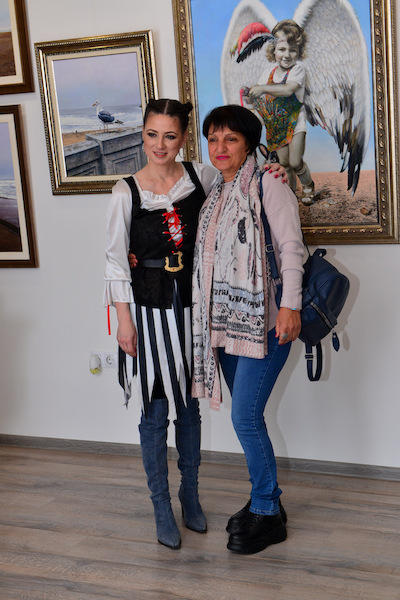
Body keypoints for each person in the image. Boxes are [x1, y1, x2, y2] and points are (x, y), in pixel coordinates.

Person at [104, 98, 286, 550]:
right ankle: (161, 505)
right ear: (142, 134)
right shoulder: (126, 191)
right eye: (152, 134)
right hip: (147, 310)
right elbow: (115, 263)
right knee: (154, 411)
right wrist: (123, 321)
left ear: (184, 138)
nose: (160, 144)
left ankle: (190, 495)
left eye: (170, 135)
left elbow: (244, 183)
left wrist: (278, 171)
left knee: (189, 406)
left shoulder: (200, 177)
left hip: (196, 311)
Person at [192, 104, 304, 555]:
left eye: (231, 139)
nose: (220, 148)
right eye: (213, 139)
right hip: (226, 325)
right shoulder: (215, 189)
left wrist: (290, 307)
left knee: (245, 418)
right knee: (248, 418)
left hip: (266, 322)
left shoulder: (268, 183)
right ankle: (266, 499)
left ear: (249, 144)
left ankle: (266, 511)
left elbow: (291, 248)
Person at [245, 19, 315, 205]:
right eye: (282, 49)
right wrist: (251, 99)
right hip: (276, 126)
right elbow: (261, 102)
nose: (287, 55)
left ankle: (308, 185)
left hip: (295, 122)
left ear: (299, 52)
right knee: (284, 163)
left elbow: (287, 89)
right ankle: (290, 193)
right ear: (273, 50)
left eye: (293, 50)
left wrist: (262, 88)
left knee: (295, 161)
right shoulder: (267, 73)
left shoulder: (298, 69)